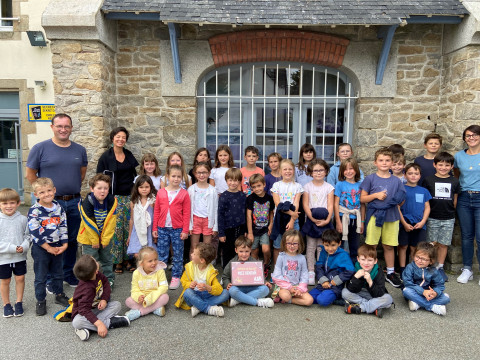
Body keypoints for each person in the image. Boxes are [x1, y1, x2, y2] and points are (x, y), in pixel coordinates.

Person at [26, 113, 88, 288]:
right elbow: (31, 175)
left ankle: (68, 274)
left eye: (66, 126)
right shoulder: (40, 148)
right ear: (52, 127)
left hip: (74, 201)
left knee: (71, 239)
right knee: (50, 240)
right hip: (49, 205)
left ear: (71, 128)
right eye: (59, 126)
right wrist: (44, 196)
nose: (63, 129)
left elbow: (81, 174)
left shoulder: (79, 150)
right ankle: (49, 279)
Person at [360, 147, 406, 288]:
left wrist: (398, 199)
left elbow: (402, 198)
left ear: (392, 163)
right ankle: (369, 270)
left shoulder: (396, 181)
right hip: (375, 215)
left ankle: (390, 272)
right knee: (371, 245)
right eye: (381, 160)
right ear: (375, 163)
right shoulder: (370, 178)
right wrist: (376, 195)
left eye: (387, 160)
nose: (384, 163)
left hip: (392, 216)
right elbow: (362, 199)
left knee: (389, 245)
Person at [97, 126, 139, 274]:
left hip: (129, 197)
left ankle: (128, 259)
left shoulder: (128, 155)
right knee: (116, 230)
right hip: (114, 198)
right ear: (112, 138)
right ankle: (117, 261)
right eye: (118, 137)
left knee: (129, 228)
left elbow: (135, 176)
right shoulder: (106, 157)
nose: (121, 139)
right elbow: (99, 179)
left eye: (123, 137)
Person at [28, 177, 69, 316]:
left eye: (49, 191)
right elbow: (35, 232)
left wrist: (64, 244)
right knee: (41, 276)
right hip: (41, 248)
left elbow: (63, 226)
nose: (46, 194)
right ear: (36, 195)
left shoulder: (59, 208)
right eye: (42, 192)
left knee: (58, 273)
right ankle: (40, 300)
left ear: (54, 190)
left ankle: (59, 294)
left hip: (57, 246)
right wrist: (48, 248)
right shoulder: (34, 210)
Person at [71, 255, 130, 341]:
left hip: (97, 308)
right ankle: (109, 323)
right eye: (95, 261)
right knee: (76, 322)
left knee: (117, 305)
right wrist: (99, 324)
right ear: (95, 270)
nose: (96, 261)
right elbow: (84, 310)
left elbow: (106, 284)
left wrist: (104, 299)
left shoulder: (98, 275)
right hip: (83, 313)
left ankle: (88, 329)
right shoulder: (86, 289)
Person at [153, 165, 191, 290]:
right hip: (162, 228)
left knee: (178, 254)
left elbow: (186, 213)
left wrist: (185, 230)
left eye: (179, 176)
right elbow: (157, 211)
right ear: (167, 177)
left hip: (178, 228)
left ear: (182, 178)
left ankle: (176, 276)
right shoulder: (161, 192)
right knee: (162, 253)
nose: (176, 179)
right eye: (173, 176)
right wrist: (155, 228)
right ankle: (161, 276)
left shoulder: (184, 194)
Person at [77, 174, 118, 287]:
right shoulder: (87, 203)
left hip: (105, 237)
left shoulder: (111, 201)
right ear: (92, 188)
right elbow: (88, 223)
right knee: (90, 261)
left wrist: (105, 240)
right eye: (99, 188)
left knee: (107, 260)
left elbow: (111, 223)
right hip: (89, 238)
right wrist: (95, 240)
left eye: (106, 188)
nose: (103, 191)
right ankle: (91, 281)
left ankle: (108, 279)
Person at [454, 125, 480, 284]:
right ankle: (467, 269)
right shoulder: (459, 156)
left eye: (475, 135)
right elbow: (457, 175)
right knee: (466, 236)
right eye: (468, 135)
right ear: (464, 139)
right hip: (464, 198)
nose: (471, 138)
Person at [302, 159, 334, 285]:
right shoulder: (307, 187)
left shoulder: (329, 187)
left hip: (324, 221)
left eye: (321, 170)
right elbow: (305, 204)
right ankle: (311, 271)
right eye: (315, 170)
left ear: (325, 171)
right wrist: (312, 218)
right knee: (310, 247)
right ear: (311, 172)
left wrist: (327, 220)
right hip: (311, 220)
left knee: (322, 247)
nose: (318, 173)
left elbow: (330, 205)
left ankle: (320, 270)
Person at [174, 243, 229, 317]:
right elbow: (183, 281)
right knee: (187, 293)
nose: (191, 255)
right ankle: (208, 309)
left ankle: (198, 307)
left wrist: (208, 288)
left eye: (194, 254)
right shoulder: (189, 266)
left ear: (202, 260)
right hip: (194, 294)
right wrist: (189, 284)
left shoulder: (211, 270)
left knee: (226, 293)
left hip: (207, 295)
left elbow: (219, 289)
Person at [0, 188, 29, 317]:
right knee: (5, 281)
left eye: (12, 203)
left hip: (20, 257)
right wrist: (12, 248)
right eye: (4, 203)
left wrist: (24, 246)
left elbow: (28, 236)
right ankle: (6, 304)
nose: (9, 206)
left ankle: (19, 302)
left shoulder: (23, 219)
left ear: (18, 203)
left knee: (20, 278)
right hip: (3, 258)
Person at [222, 236, 273, 308]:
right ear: (236, 250)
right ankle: (257, 302)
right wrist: (227, 284)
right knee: (232, 290)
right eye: (241, 251)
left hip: (252, 287)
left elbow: (259, 276)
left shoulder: (254, 262)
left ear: (250, 250)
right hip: (238, 288)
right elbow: (225, 276)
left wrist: (264, 282)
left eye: (247, 251)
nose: (244, 254)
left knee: (265, 289)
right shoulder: (232, 262)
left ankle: (238, 300)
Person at [398, 164, 431, 275]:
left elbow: (427, 207)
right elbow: (397, 207)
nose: (413, 176)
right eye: (410, 173)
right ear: (405, 175)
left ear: (420, 176)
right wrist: (404, 223)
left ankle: (414, 269)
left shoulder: (424, 191)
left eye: (416, 174)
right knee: (403, 246)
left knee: (415, 248)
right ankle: (402, 269)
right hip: (404, 222)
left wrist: (423, 222)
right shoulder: (401, 189)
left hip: (419, 223)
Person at [342, 244, 393, 318]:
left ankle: (360, 308)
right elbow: (350, 288)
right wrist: (356, 278)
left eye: (370, 260)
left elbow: (380, 292)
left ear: (375, 261)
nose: (366, 263)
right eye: (363, 259)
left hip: (372, 295)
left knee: (388, 299)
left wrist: (370, 282)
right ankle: (373, 307)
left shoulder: (378, 271)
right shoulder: (354, 268)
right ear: (358, 259)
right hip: (359, 293)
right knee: (344, 292)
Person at [402, 242, 450, 316]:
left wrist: (435, 292)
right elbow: (408, 283)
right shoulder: (410, 267)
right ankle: (431, 307)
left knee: (446, 298)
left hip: (429, 294)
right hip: (415, 292)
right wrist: (423, 291)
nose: (419, 260)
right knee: (406, 291)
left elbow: (439, 284)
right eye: (417, 257)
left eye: (424, 259)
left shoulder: (433, 271)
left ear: (431, 261)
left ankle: (418, 303)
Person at [309, 230, 354, 307]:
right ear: (323, 243)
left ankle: (336, 299)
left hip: (335, 287)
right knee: (308, 297)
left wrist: (337, 280)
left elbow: (350, 271)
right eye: (327, 245)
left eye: (333, 245)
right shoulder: (323, 251)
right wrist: (323, 280)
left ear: (339, 243)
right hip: (323, 284)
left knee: (322, 300)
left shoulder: (343, 255)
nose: (330, 248)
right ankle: (329, 298)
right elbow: (319, 267)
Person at [270, 159, 303, 265]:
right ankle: (276, 271)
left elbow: (296, 204)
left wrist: (292, 220)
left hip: (293, 220)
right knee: (278, 247)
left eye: (290, 169)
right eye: (285, 169)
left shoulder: (297, 186)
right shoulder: (276, 186)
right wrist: (291, 213)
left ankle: (293, 270)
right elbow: (278, 205)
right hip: (279, 220)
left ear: (293, 171)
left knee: (294, 245)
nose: (288, 171)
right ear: (280, 171)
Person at [334, 158, 365, 263]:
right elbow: (335, 203)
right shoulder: (340, 184)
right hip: (343, 216)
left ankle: (353, 268)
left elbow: (363, 204)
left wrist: (362, 222)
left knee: (354, 245)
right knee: (340, 244)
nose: (348, 172)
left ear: (356, 170)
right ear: (342, 171)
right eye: (345, 169)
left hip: (356, 218)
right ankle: (340, 266)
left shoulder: (360, 185)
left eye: (351, 168)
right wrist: (338, 221)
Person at [125, 247, 169, 321]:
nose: (154, 263)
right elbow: (134, 289)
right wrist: (138, 297)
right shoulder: (136, 273)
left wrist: (151, 297)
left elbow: (164, 287)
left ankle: (140, 312)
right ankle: (155, 309)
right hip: (143, 300)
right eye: (150, 261)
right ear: (141, 263)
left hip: (155, 297)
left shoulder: (160, 270)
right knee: (128, 301)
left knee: (165, 297)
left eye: (155, 259)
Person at [271, 230, 313, 306]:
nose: (292, 246)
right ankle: (285, 298)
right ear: (284, 243)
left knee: (309, 300)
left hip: (297, 286)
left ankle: (290, 300)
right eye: (289, 243)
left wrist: (300, 288)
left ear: (299, 244)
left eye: (295, 243)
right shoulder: (281, 256)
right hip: (284, 286)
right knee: (286, 296)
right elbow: (276, 275)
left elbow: (304, 274)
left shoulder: (302, 258)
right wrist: (289, 287)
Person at [218, 168, 247, 267]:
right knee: (227, 252)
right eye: (230, 180)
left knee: (240, 251)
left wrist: (246, 230)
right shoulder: (223, 196)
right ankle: (226, 274)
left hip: (240, 229)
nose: (233, 183)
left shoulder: (243, 196)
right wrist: (221, 233)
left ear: (239, 181)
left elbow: (246, 214)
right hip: (227, 230)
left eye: (236, 180)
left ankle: (238, 273)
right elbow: (220, 215)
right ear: (226, 180)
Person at [246, 174, 274, 278]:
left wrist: (271, 224)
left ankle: (266, 264)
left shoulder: (269, 198)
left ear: (264, 184)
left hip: (264, 229)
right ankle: (256, 267)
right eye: (254, 187)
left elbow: (271, 212)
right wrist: (250, 233)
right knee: (254, 250)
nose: (257, 189)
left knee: (266, 249)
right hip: (253, 229)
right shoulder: (250, 198)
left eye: (259, 186)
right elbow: (248, 216)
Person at [188, 162, 218, 252]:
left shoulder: (213, 190)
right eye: (199, 172)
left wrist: (215, 226)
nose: (202, 175)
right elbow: (188, 209)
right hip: (195, 219)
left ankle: (205, 265)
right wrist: (189, 225)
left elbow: (215, 209)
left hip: (208, 220)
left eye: (204, 172)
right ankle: (193, 266)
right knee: (194, 246)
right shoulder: (191, 189)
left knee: (206, 247)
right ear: (195, 174)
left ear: (209, 173)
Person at [127, 176, 157, 258]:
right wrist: (129, 235)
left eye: (147, 187)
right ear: (137, 188)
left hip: (149, 230)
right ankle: (140, 270)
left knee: (150, 253)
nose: (144, 189)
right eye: (141, 187)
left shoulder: (153, 201)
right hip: (137, 230)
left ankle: (149, 270)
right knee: (137, 254)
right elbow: (132, 219)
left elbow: (156, 217)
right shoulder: (134, 201)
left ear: (151, 187)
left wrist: (156, 231)